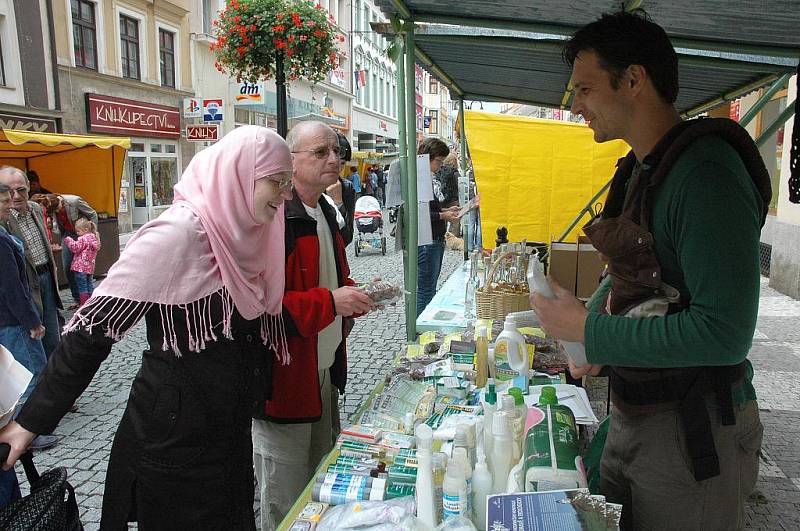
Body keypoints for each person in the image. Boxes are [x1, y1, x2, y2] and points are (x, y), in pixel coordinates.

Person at [530, 11, 769, 530]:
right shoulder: (641, 167)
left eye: (585, 89)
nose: (575, 107)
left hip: (692, 428)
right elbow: (629, 271)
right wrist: (590, 332)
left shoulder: (706, 176)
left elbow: (724, 333)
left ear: (634, 79)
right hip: (634, 412)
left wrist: (591, 332)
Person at [0, 126, 295, 529]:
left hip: (228, 431)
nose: (286, 194)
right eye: (277, 182)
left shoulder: (254, 233)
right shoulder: (178, 235)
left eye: (287, 182)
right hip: (173, 442)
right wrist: (31, 422)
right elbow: (91, 334)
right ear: (238, 175)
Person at [252, 121, 374, 530]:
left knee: (320, 481)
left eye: (336, 151)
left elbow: (330, 279)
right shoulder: (275, 219)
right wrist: (331, 302)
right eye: (320, 152)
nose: (334, 159)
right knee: (284, 496)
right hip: (284, 385)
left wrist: (350, 295)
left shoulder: (325, 210)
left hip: (322, 372)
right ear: (291, 160)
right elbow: (260, 311)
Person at [0, 183, 58, 452]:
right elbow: (12, 287)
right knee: (30, 372)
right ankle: (26, 431)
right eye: (3, 202)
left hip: (9, 318)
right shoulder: (1, 239)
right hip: (13, 319)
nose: (9, 206)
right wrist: (32, 321)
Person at [0, 167, 64, 358]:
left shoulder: (36, 209)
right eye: (9, 192)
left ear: (29, 188)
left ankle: (53, 381)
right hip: (26, 286)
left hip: (47, 280)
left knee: (53, 338)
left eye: (21, 190)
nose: (16, 196)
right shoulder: (4, 217)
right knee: (33, 340)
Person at [416, 138, 461, 317]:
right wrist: (444, 215)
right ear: (428, 157)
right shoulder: (420, 179)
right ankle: (422, 328)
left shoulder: (425, 177)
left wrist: (447, 209)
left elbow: (429, 208)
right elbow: (420, 213)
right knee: (426, 290)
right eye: (438, 161)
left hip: (433, 238)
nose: (440, 165)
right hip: (427, 240)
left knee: (429, 287)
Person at [53, 193, 98, 308]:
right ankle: (79, 299)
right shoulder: (53, 209)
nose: (57, 212)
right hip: (68, 233)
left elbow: (92, 214)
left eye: (58, 210)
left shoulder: (74, 201)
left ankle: (84, 301)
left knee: (83, 274)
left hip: (81, 233)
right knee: (68, 267)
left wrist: (92, 233)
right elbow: (56, 226)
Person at [325, 131, 357, 246]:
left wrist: (338, 203)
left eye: (342, 163)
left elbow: (347, 237)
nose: (337, 168)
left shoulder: (346, 187)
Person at [63, 218, 101, 306]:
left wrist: (68, 239)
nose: (77, 233)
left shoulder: (83, 239)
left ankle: (84, 305)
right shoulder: (94, 238)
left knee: (82, 288)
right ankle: (92, 303)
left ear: (86, 230)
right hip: (90, 268)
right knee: (89, 286)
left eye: (78, 231)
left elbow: (75, 248)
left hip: (80, 268)